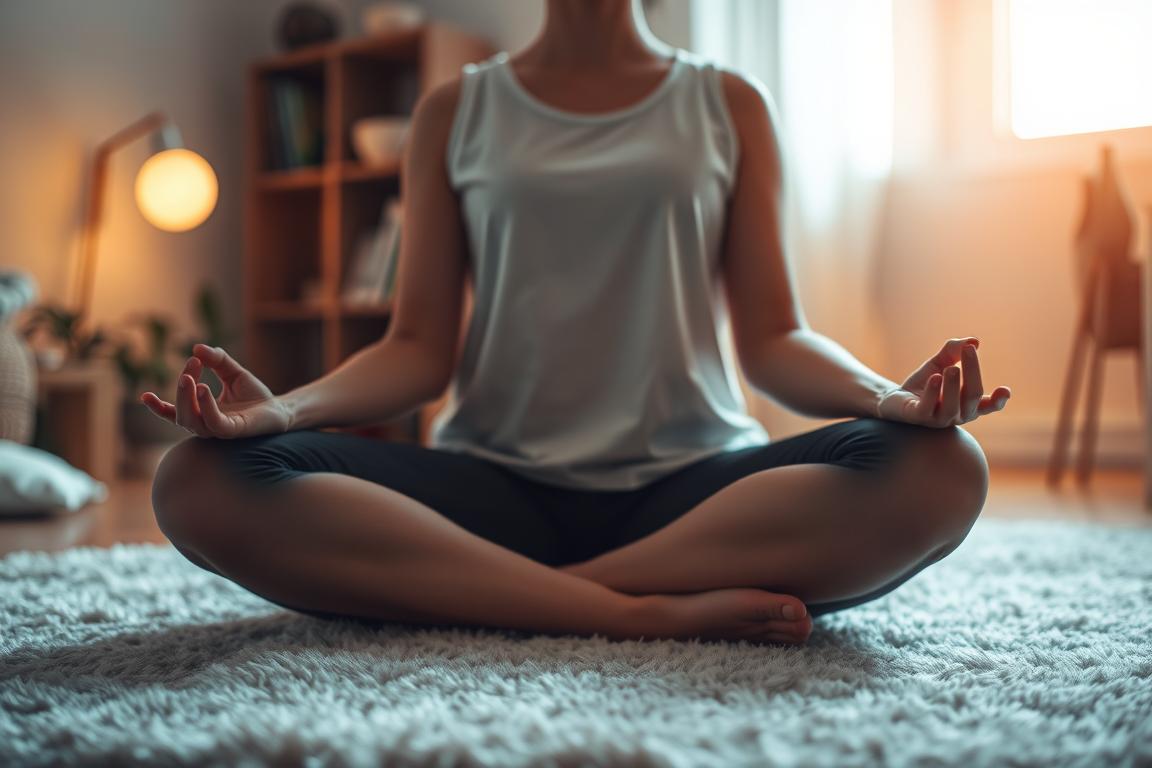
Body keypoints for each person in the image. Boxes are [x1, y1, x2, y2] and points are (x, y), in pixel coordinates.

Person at [144, 0, 1011, 646]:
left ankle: (501, 598)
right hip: (492, 488)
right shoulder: (456, 110)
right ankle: (630, 616)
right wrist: (284, 412)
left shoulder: (728, 103)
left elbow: (774, 338)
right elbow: (415, 350)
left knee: (941, 472)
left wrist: (881, 397)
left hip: (694, 495)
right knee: (197, 484)